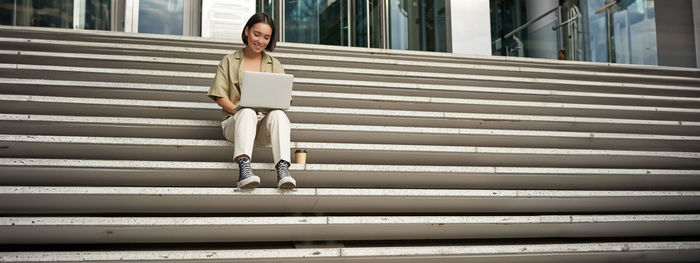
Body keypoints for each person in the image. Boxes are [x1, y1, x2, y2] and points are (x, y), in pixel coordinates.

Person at [207, 12, 295, 189]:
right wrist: (237, 110)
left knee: (279, 114)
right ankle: (244, 169)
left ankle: (283, 169)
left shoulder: (275, 64)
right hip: (235, 122)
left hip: (262, 125)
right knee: (246, 111)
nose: (260, 41)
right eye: (257, 34)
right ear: (247, 31)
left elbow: (284, 99)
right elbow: (219, 95)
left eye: (266, 37)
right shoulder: (229, 60)